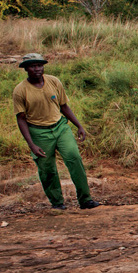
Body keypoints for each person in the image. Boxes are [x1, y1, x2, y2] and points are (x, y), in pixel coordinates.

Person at [13, 53, 100, 211]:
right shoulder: (20, 90)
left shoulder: (54, 81)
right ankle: (57, 202)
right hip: (39, 132)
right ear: (26, 69)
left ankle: (86, 200)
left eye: (39, 65)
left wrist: (79, 126)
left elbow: (64, 106)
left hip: (60, 127)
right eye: (33, 66)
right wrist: (31, 144)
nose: (37, 69)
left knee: (74, 157)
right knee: (47, 169)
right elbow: (21, 118)